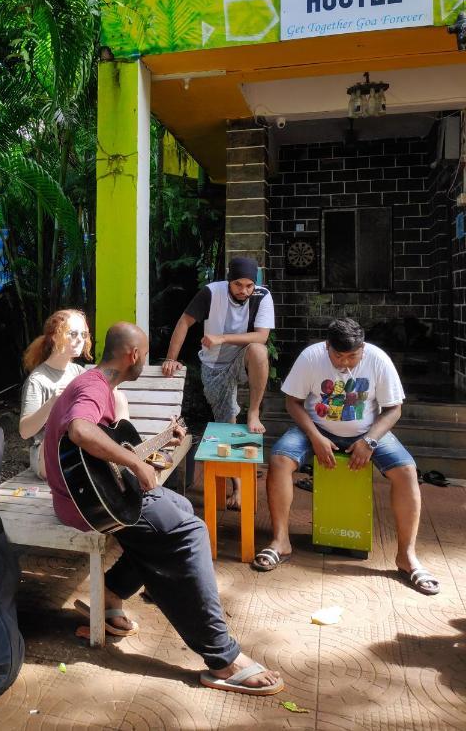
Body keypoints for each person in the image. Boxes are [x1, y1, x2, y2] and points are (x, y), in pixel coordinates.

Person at [42, 321, 283, 696]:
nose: (146, 362)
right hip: (83, 504)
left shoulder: (100, 385)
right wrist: (137, 465)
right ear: (132, 355)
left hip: (90, 495)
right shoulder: (92, 387)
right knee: (189, 532)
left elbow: (107, 452)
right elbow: (80, 431)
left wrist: (147, 452)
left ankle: (108, 598)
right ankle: (222, 659)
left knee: (180, 507)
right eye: (145, 355)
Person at [253, 318, 440, 596]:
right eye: (338, 356)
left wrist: (370, 440)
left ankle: (406, 556)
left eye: (352, 356)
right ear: (327, 347)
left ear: (362, 348)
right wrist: (316, 438)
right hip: (316, 428)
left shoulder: (378, 360)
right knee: (280, 459)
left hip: (368, 431)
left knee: (406, 471)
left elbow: (393, 409)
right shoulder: (311, 357)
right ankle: (280, 541)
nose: (345, 363)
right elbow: (292, 402)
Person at [162, 256, 274, 508]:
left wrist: (222, 338)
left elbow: (262, 336)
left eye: (249, 286)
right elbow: (184, 321)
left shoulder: (262, 296)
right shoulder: (211, 293)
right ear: (228, 281)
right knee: (227, 422)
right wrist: (171, 358)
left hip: (241, 355)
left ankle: (254, 412)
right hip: (214, 366)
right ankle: (237, 487)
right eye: (238, 285)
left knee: (258, 350)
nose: (244, 291)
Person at [20, 309, 128, 479]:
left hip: (77, 445)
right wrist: (52, 403)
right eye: (73, 333)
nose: (80, 339)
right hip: (47, 452)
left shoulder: (79, 372)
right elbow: (25, 431)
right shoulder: (38, 380)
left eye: (84, 334)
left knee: (118, 397)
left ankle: (124, 450)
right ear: (55, 336)